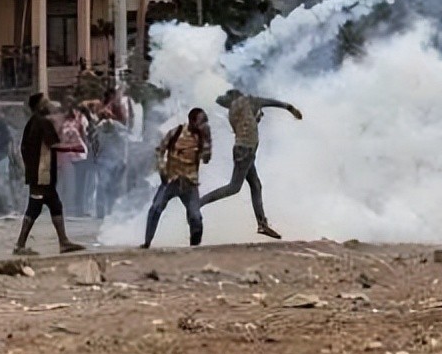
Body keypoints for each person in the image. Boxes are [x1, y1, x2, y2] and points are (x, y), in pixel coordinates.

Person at [201, 89, 303, 239]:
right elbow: (271, 102)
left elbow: (242, 115)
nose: (261, 115)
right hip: (246, 151)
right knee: (234, 187)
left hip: (243, 151)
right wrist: (290, 108)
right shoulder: (248, 101)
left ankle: (262, 224)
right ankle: (198, 203)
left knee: (256, 185)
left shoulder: (233, 110)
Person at [14, 93, 85, 256]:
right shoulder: (42, 122)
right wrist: (75, 149)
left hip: (41, 172)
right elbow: (54, 145)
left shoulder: (33, 122)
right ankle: (20, 245)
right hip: (42, 174)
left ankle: (64, 242)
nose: (50, 104)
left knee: (55, 205)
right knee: (34, 207)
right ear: (40, 106)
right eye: (46, 102)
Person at [142, 108, 213, 249]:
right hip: (171, 179)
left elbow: (206, 159)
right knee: (156, 208)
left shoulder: (202, 138)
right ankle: (147, 242)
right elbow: (159, 150)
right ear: (192, 121)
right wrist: (162, 168)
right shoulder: (176, 132)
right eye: (201, 121)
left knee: (195, 217)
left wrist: (208, 140)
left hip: (189, 183)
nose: (204, 124)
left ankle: (195, 247)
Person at [91, 113, 129, 219]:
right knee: (102, 185)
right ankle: (101, 211)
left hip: (116, 160)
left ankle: (112, 210)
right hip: (103, 160)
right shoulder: (99, 128)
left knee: (114, 187)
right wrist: (96, 158)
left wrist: (123, 160)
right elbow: (94, 143)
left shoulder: (120, 128)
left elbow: (123, 144)